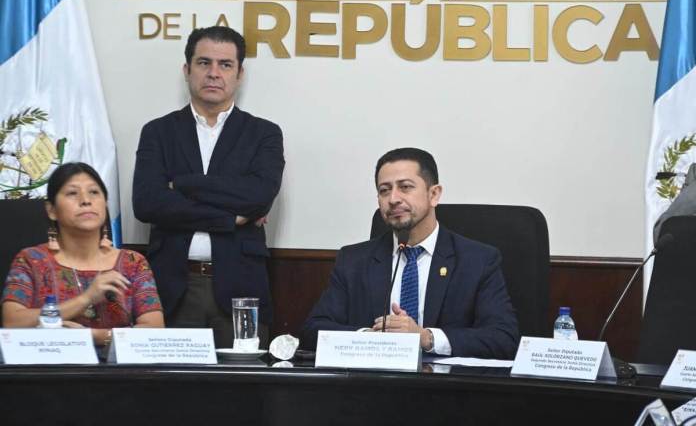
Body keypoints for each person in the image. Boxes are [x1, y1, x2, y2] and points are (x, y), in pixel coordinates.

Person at [133, 26, 284, 348]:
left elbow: (257, 196)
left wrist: (182, 184)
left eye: (225, 64)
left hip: (240, 285)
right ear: (187, 70)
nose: (214, 73)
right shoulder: (158, 132)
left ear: (239, 73)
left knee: (242, 391)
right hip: (174, 285)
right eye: (204, 63)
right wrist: (229, 219)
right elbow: (147, 203)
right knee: (170, 391)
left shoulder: (264, 134)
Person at [302, 148, 519, 359]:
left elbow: (503, 338)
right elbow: (314, 330)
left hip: (447, 390)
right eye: (384, 190)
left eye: (405, 187)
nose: (393, 198)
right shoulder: (354, 260)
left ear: (434, 194)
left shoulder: (478, 260)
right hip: (373, 388)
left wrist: (426, 338)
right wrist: (370, 339)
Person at [1, 163, 164, 345]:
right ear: (51, 210)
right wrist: (85, 299)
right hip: (48, 367)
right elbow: (12, 322)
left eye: (94, 192)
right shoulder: (31, 260)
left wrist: (91, 336)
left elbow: (154, 330)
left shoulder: (132, 262)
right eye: (72, 193)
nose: (86, 200)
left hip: (118, 370)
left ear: (105, 204)